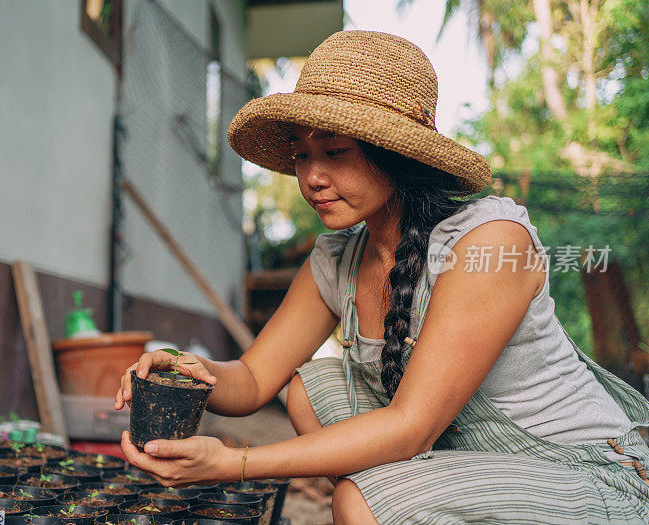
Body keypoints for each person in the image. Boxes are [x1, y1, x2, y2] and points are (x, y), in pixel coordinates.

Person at [114, 30, 649, 524]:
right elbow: (252, 381)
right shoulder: (338, 259)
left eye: (336, 153)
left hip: (585, 474)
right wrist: (184, 369)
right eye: (302, 155)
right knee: (307, 389)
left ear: (395, 154)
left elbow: (412, 427)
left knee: (359, 497)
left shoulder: (488, 242)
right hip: (460, 458)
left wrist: (236, 461)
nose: (312, 178)